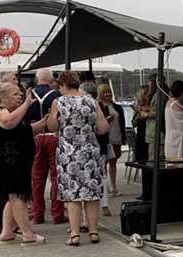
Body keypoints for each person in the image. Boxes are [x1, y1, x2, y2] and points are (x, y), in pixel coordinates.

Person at [46, 70, 108, 246]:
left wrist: (54, 118)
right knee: (91, 193)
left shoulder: (59, 102)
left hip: (68, 153)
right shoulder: (91, 101)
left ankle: (74, 234)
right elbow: (103, 127)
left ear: (63, 85)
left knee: (72, 195)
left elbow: (52, 125)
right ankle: (94, 232)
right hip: (90, 152)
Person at [0, 82, 47, 245]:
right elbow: (8, 123)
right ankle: (28, 234)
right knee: (18, 197)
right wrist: (27, 104)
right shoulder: (0, 111)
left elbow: (22, 130)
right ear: (3, 97)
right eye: (15, 94)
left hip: (18, 161)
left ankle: (7, 232)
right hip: (9, 162)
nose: (20, 96)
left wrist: (42, 123)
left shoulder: (15, 113)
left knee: (12, 198)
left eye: (21, 94)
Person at [27, 69, 65, 225]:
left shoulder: (29, 95)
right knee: (56, 177)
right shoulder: (56, 96)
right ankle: (57, 214)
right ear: (51, 80)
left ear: (37, 79)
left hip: (35, 137)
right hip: (53, 136)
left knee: (36, 178)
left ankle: (37, 214)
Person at [80, 81, 111, 217]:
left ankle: (100, 207)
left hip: (93, 146)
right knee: (101, 176)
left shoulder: (91, 106)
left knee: (92, 177)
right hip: (99, 145)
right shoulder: (100, 106)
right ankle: (104, 206)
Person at [98, 83, 125, 195]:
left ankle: (113, 186)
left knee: (113, 162)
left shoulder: (117, 106)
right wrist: (106, 119)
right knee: (103, 163)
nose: (108, 94)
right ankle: (103, 187)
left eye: (109, 91)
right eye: (105, 92)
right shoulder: (98, 106)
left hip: (116, 137)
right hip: (104, 139)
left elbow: (122, 122)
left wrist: (123, 137)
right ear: (100, 94)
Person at [164, 80, 183, 160]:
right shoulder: (178, 104)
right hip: (178, 146)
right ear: (182, 93)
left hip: (170, 143)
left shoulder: (169, 101)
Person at [132, 77, 154, 162]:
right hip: (141, 136)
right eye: (144, 94)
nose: (146, 96)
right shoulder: (138, 108)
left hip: (149, 136)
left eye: (147, 94)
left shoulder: (151, 107)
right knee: (142, 160)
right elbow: (134, 124)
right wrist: (137, 116)